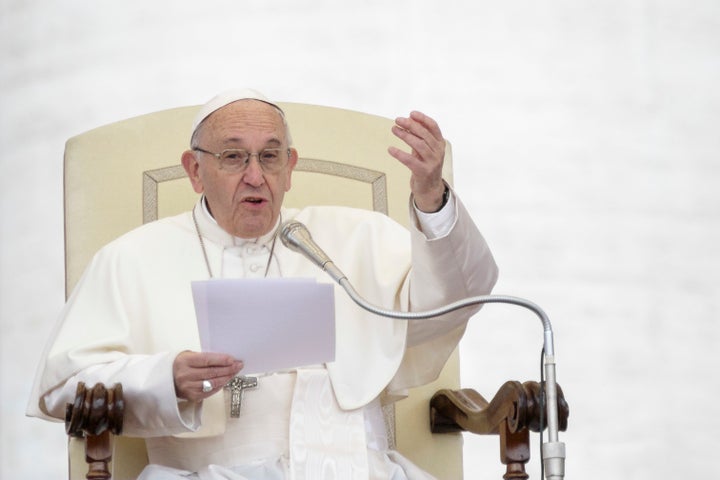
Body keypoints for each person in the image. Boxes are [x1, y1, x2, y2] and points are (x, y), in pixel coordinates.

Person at [27, 89, 498, 480]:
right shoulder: (130, 258)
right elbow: (62, 387)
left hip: (360, 468)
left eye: (270, 157)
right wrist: (164, 379)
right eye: (233, 157)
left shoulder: (355, 237)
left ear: (289, 167)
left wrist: (432, 196)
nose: (256, 176)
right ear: (194, 170)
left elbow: (456, 302)